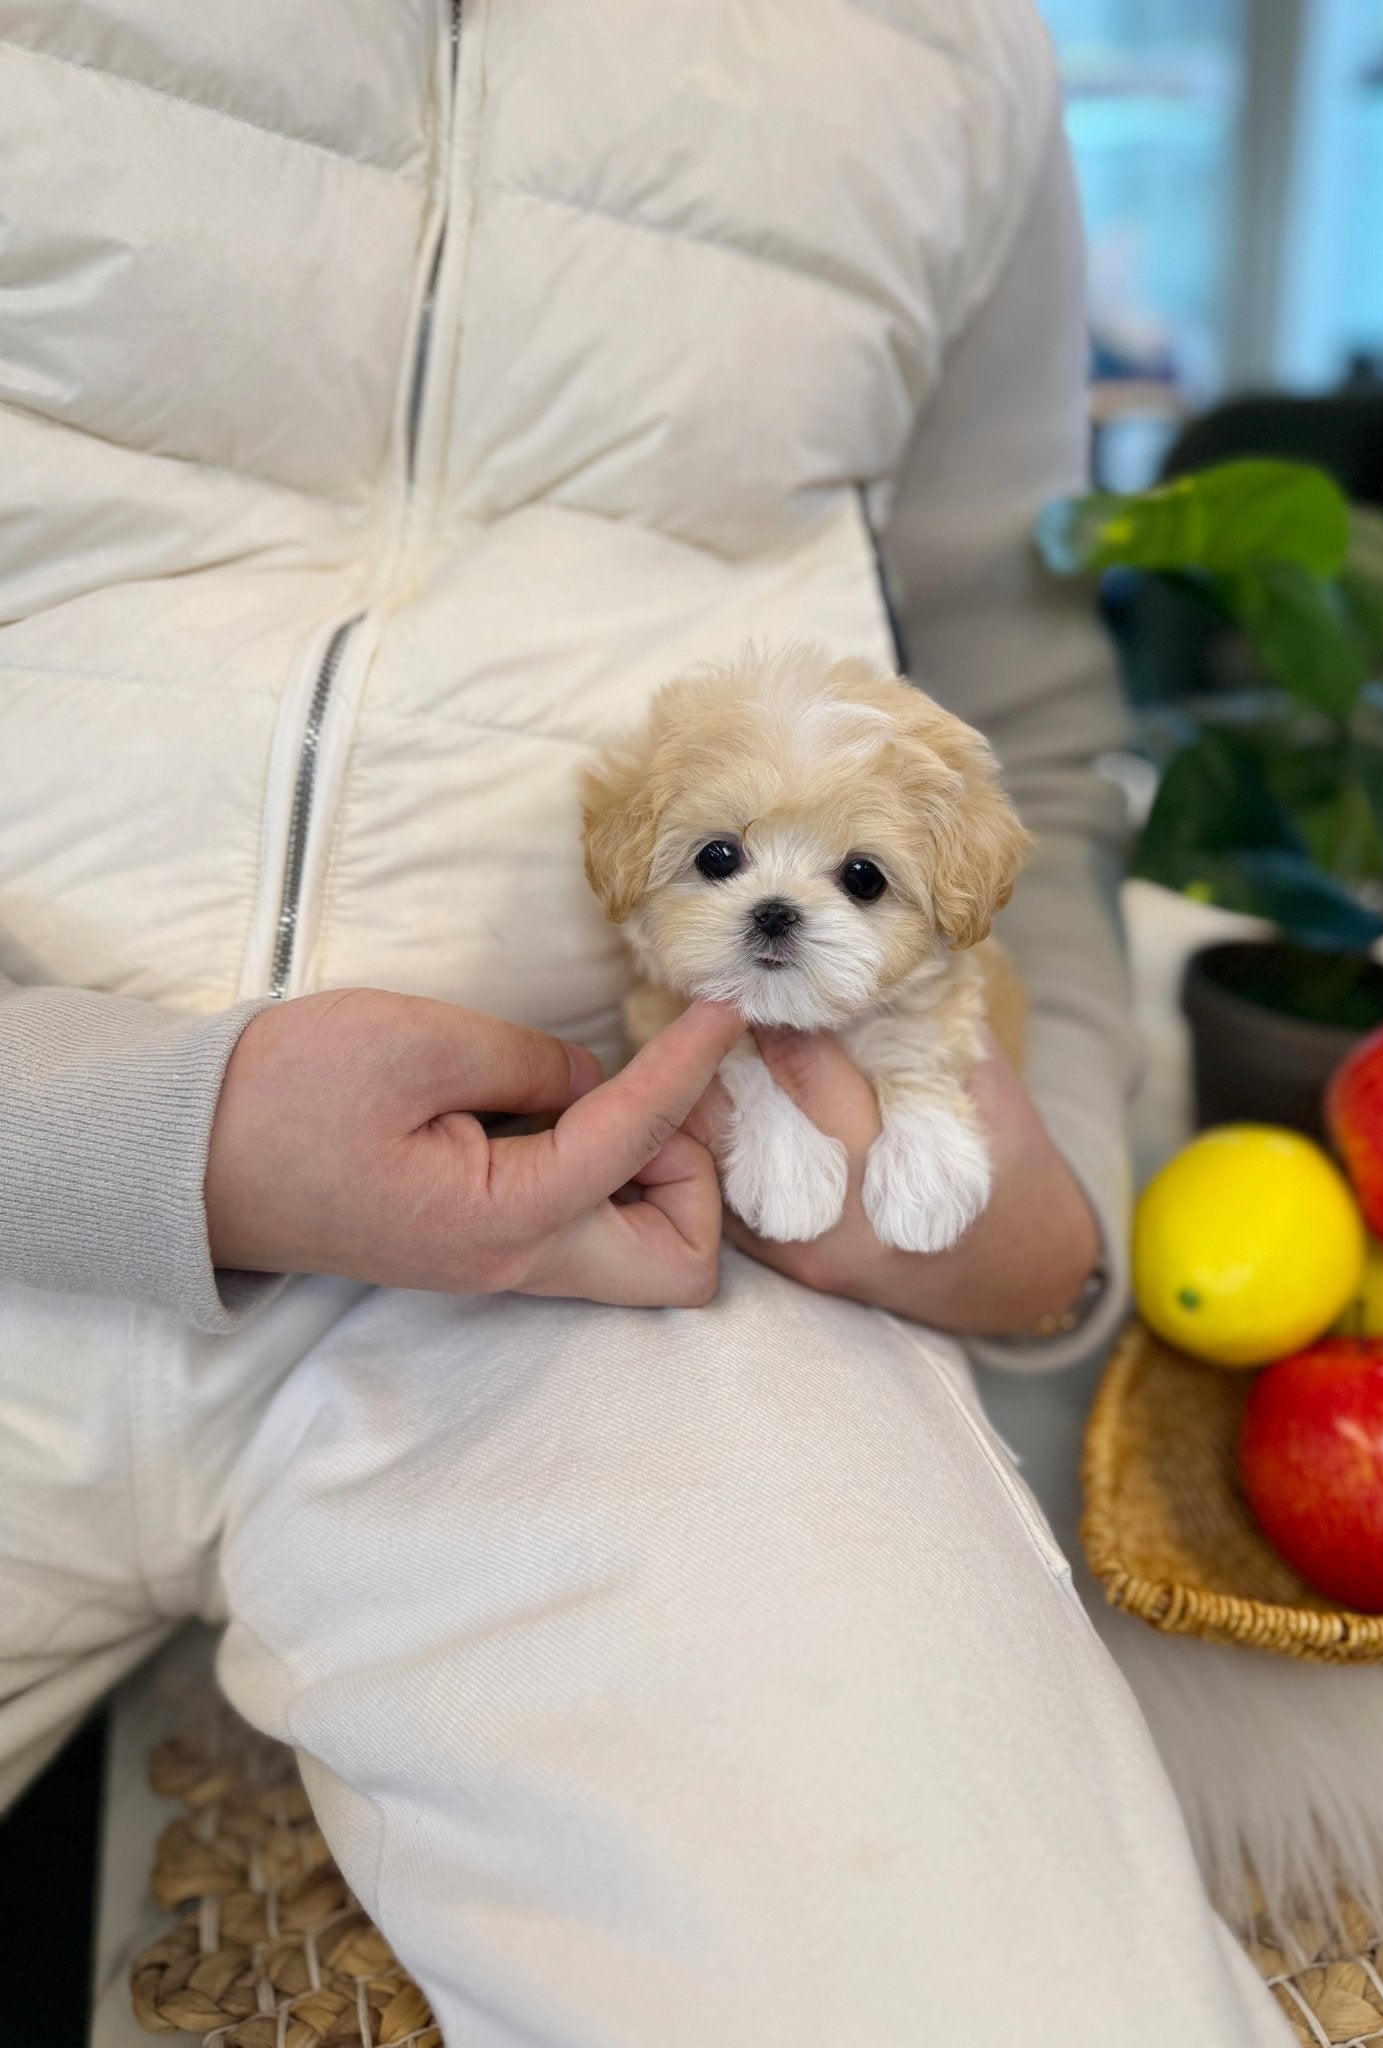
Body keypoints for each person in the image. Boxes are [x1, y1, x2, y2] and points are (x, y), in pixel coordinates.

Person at [0, 5, 1289, 2042]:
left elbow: (1013, 693)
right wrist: (154, 1130)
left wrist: (1050, 1219)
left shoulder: (953, 49)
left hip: (641, 1264)